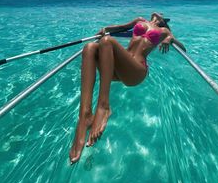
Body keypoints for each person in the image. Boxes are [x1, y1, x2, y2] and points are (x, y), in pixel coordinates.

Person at [69, 12, 186, 164]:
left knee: (107, 42)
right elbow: (120, 27)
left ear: (164, 21)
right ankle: (85, 115)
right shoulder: (140, 20)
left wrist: (170, 39)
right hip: (118, 69)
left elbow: (183, 48)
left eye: (162, 16)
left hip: (136, 71)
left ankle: (103, 107)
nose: (158, 15)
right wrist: (105, 28)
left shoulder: (164, 32)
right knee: (90, 47)